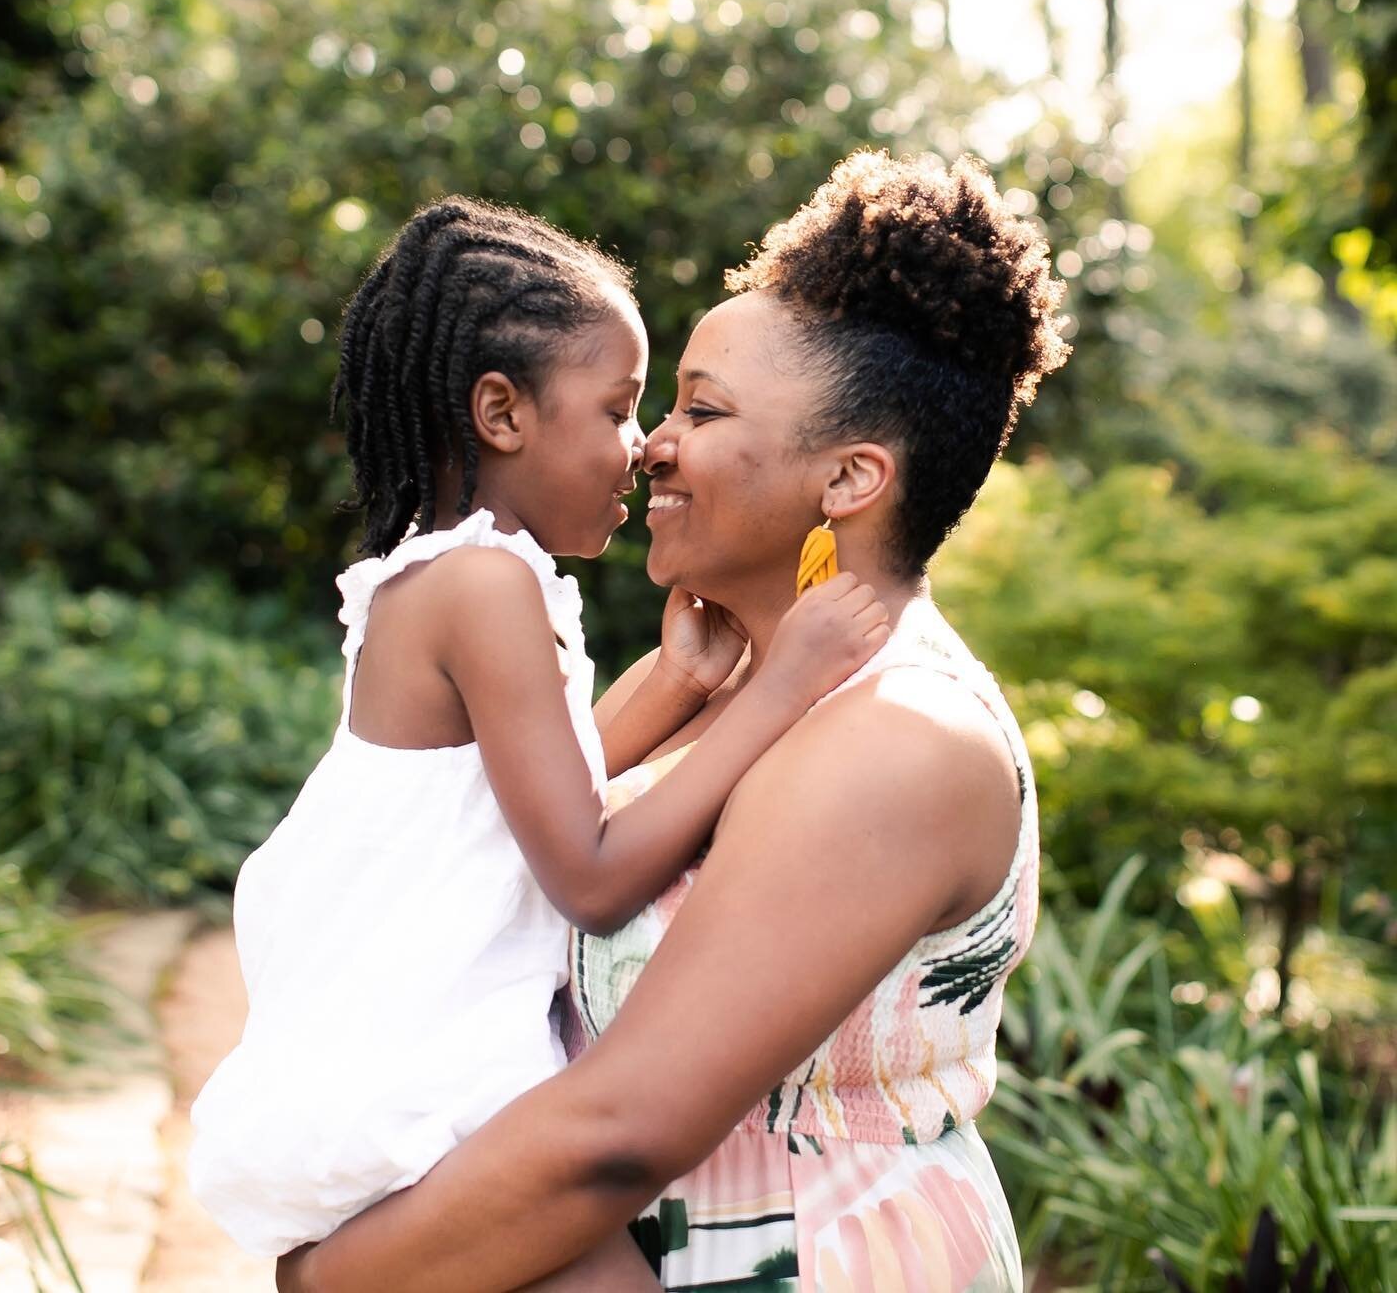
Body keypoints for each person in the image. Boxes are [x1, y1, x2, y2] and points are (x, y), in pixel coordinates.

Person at [278, 149, 1072, 1293]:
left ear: (849, 481)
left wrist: (327, 1278)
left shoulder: (896, 738)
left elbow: (621, 1132)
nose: (650, 441)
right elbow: (494, 855)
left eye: (698, 409)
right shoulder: (732, 684)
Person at [187, 195, 890, 1289]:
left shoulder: (462, 574)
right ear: (503, 414)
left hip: (420, 1056)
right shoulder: (482, 585)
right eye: (618, 409)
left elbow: (507, 801)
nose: (643, 446)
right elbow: (589, 874)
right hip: (434, 1078)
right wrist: (780, 686)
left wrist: (683, 688)